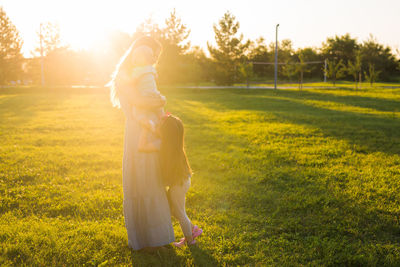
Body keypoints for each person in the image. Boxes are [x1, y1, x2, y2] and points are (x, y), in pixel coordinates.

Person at [107, 36, 174, 250]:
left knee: (153, 179)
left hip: (148, 126)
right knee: (142, 179)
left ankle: (158, 236)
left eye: (156, 55)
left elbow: (148, 96)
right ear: (140, 51)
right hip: (137, 131)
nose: (154, 58)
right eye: (152, 53)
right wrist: (162, 100)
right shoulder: (124, 75)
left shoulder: (141, 72)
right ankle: (145, 238)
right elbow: (140, 101)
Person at [137, 114, 203, 247]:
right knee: (176, 211)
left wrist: (145, 128)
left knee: (179, 212)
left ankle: (190, 241)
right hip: (183, 181)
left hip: (178, 185)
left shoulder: (161, 144)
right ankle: (193, 230)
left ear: (165, 132)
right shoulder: (174, 144)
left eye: (160, 126)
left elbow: (141, 146)